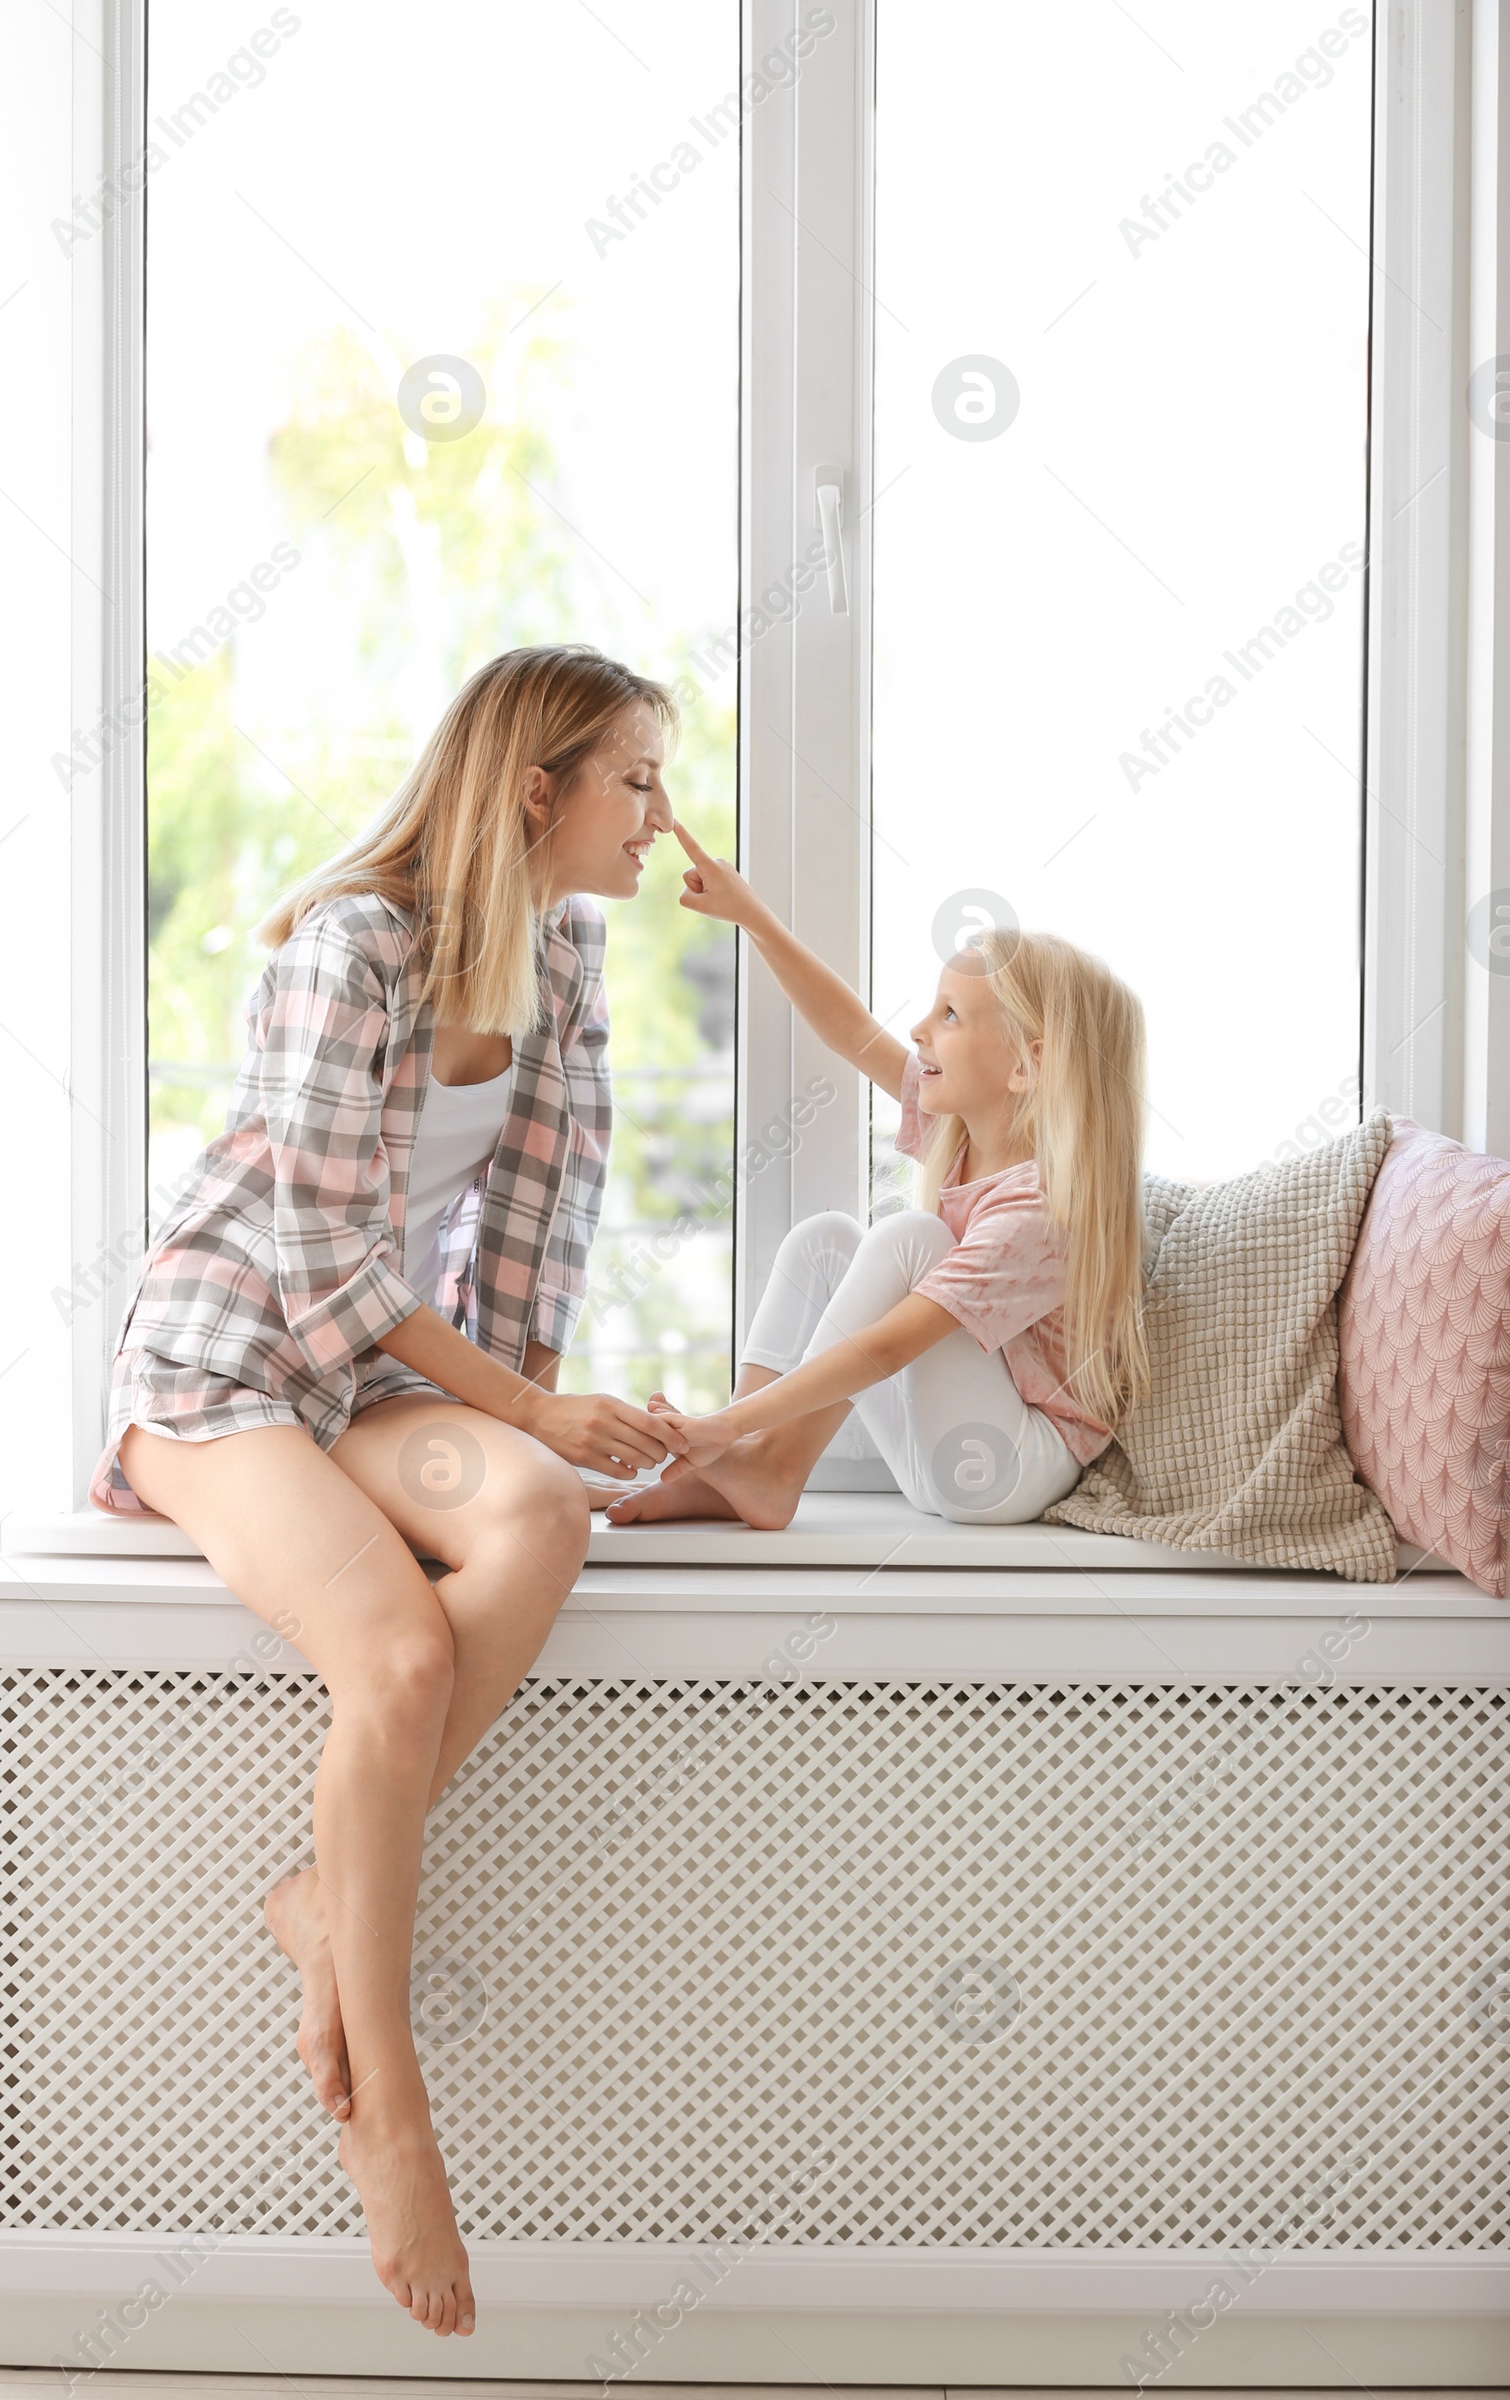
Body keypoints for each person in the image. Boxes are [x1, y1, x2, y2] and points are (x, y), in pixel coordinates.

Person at [92, 646, 682, 2337]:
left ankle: (320, 1900)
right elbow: (324, 1256)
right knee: (403, 1659)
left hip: (369, 1381)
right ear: (534, 788)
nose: (658, 820)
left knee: (544, 1516)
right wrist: (527, 1403)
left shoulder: (563, 963)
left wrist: (553, 1424)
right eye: (635, 781)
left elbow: (529, 1244)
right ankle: (387, 2093)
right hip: (226, 1363)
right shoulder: (343, 954)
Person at [610, 825, 1149, 1532]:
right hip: (948, 1454)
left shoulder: (1036, 1211)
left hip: (1004, 1467)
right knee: (829, 1239)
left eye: (950, 1014)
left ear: (1025, 1067)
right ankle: (746, 1462)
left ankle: (762, 1458)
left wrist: (721, 1419)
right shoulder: (960, 1136)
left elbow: (890, 1347)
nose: (921, 1029)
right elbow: (851, 1030)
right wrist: (754, 918)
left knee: (913, 1235)